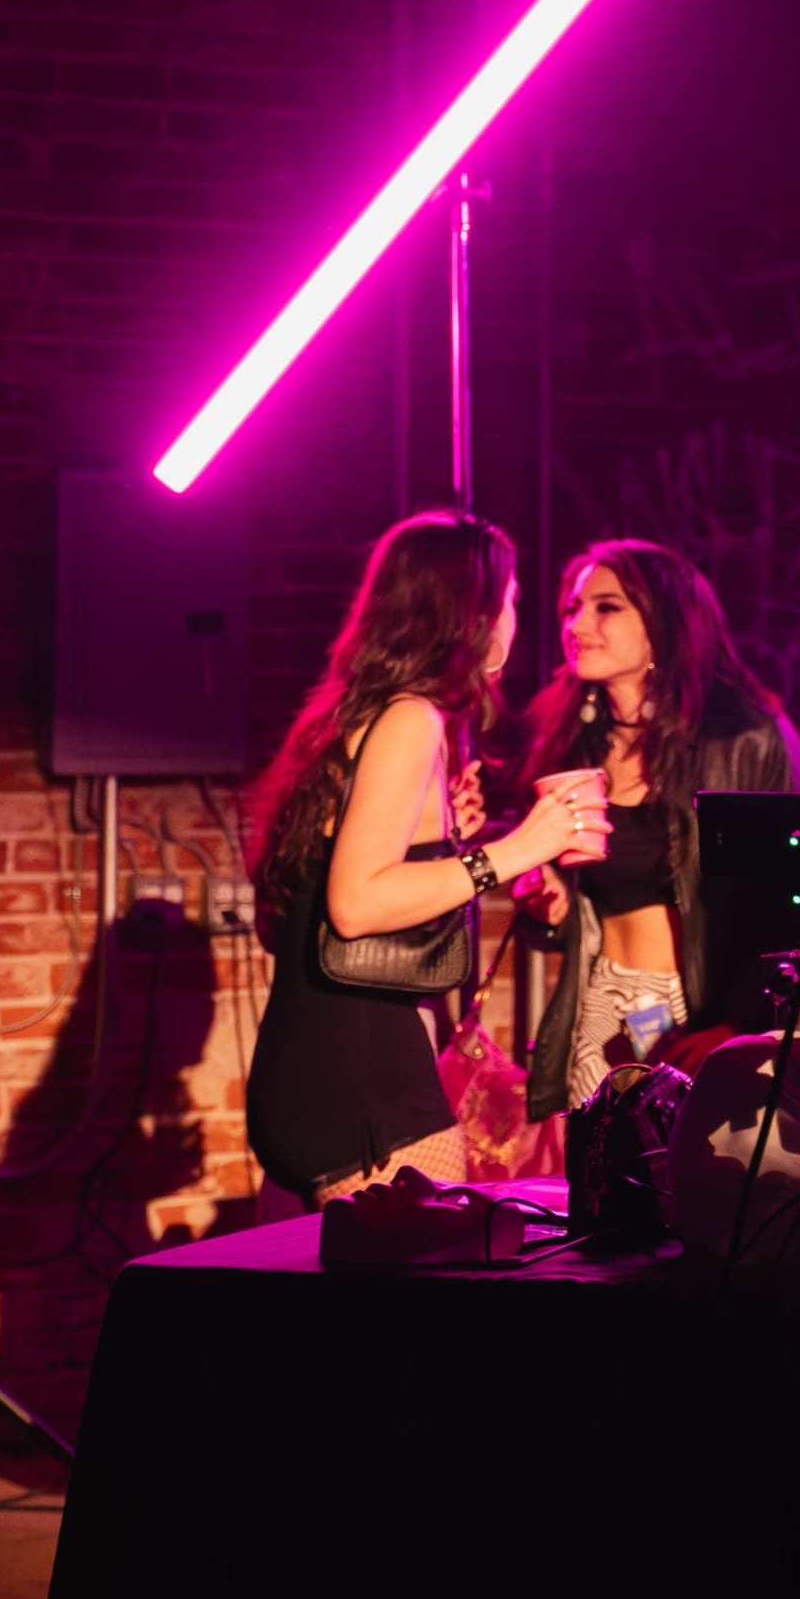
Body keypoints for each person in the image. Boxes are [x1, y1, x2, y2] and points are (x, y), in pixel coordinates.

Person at [242, 512, 606, 1200]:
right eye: (514, 598)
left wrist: (441, 841)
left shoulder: (353, 713)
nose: (516, 616)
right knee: (434, 1304)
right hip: (367, 1086)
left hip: (309, 1067)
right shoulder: (412, 719)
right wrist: (517, 849)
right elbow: (355, 905)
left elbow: (304, 900)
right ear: (471, 612)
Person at [514, 538, 800, 1115]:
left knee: (690, 1192)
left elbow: (797, 904)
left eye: (607, 607)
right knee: (599, 1186)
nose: (578, 625)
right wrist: (547, 907)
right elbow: (572, 911)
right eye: (573, 609)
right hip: (601, 1008)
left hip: (704, 1020)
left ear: (665, 622)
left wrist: (742, 1022)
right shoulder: (571, 740)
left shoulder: (744, 738)